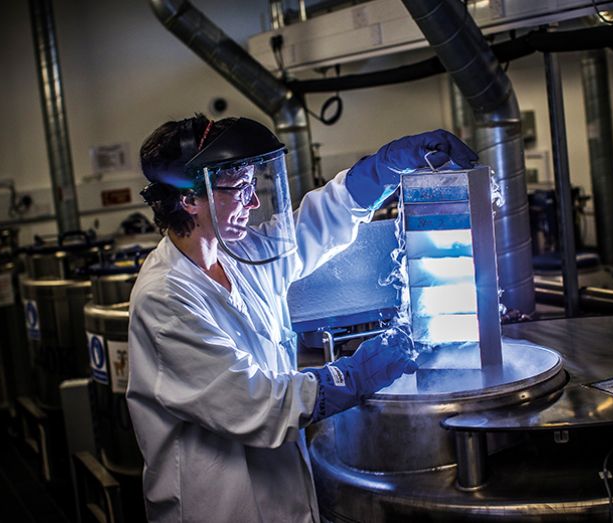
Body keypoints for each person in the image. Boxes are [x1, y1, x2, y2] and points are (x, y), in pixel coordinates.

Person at [127, 114, 478, 522]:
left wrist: (384, 168)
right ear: (190, 199)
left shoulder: (241, 256)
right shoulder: (164, 298)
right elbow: (257, 403)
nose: (253, 201)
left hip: (283, 496)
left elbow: (316, 224)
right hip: (219, 507)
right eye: (240, 188)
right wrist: (353, 376)